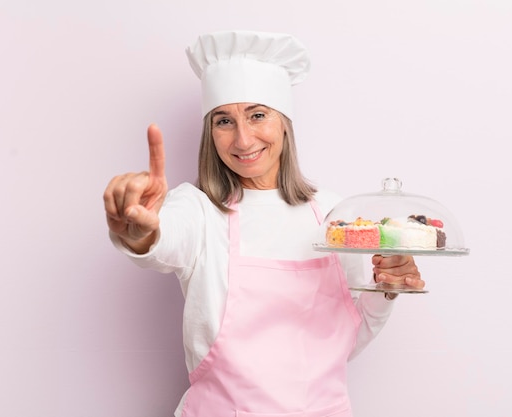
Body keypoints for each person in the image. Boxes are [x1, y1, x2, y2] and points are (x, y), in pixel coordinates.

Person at [103, 30, 424, 417]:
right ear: (211, 133)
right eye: (224, 121)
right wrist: (140, 233)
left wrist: (386, 289)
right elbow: (163, 238)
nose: (243, 139)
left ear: (284, 123)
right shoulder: (199, 209)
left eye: (258, 115)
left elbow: (348, 338)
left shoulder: (333, 216)